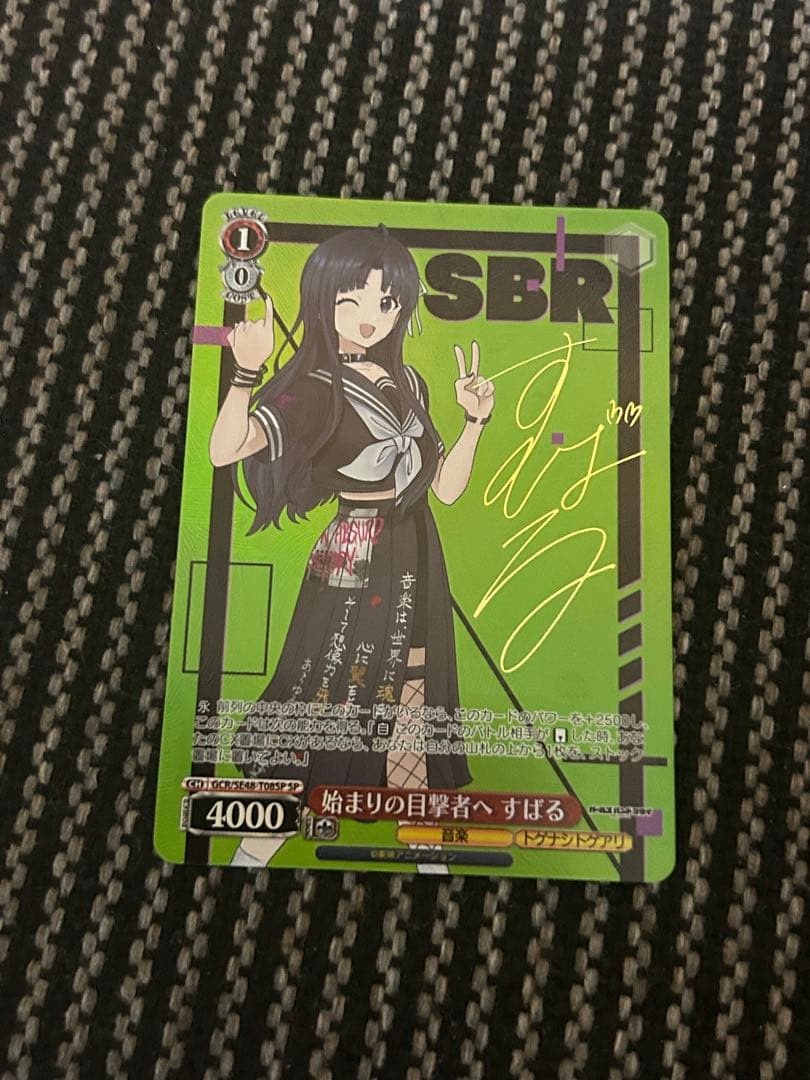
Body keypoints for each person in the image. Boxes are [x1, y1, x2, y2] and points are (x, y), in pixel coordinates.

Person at [209, 225, 495, 867]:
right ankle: (254, 851)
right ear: (322, 300)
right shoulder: (311, 387)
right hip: (355, 549)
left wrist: (475, 421)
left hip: (417, 548)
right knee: (331, 690)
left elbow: (446, 490)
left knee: (415, 689)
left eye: (386, 302)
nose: (371, 317)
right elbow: (225, 450)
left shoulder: (411, 382)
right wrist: (246, 371)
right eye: (353, 300)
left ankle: (428, 855)